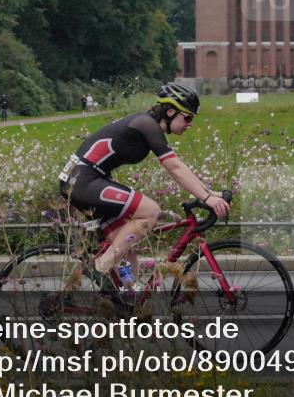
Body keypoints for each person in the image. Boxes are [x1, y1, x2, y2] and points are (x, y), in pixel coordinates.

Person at [58, 83, 229, 281]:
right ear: (171, 111)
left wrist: (211, 194)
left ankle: (126, 305)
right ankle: (99, 268)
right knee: (149, 211)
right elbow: (174, 167)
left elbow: (179, 167)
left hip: (86, 179)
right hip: (82, 181)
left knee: (125, 251)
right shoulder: (146, 124)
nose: (190, 124)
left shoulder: (147, 124)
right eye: (188, 117)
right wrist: (207, 198)